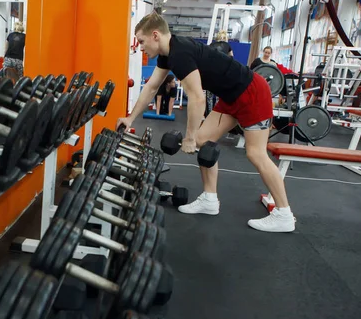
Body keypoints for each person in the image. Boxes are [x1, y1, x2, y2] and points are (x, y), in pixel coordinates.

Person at [116, 12, 296, 233]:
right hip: (231, 96)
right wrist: (130, 118)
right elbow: (152, 87)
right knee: (204, 140)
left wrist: (189, 137)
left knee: (255, 153)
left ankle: (284, 213)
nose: (140, 47)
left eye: (142, 41)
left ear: (155, 35)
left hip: (252, 92)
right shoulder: (167, 53)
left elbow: (198, 98)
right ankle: (210, 199)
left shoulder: (179, 53)